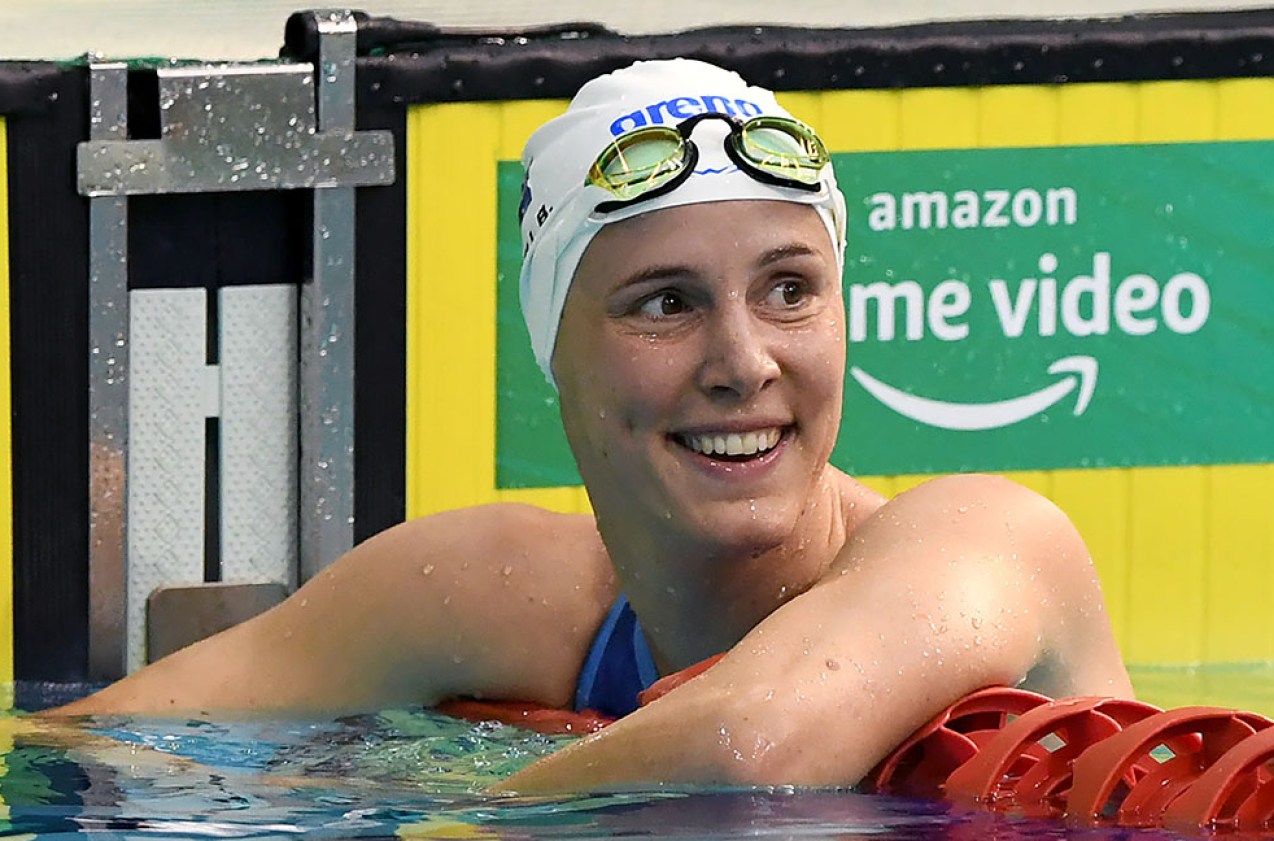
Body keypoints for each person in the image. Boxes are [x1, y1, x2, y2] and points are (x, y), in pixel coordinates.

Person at [47, 59, 1132, 792]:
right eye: (664, 303)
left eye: (789, 290)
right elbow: (84, 750)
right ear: (553, 354)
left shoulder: (991, 546)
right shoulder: (489, 592)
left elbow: (745, 743)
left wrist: (473, 819)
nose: (743, 362)